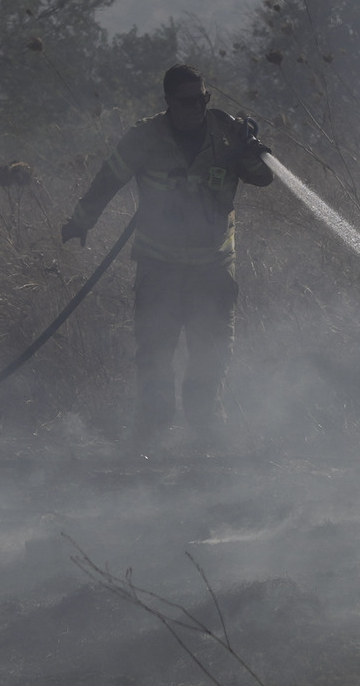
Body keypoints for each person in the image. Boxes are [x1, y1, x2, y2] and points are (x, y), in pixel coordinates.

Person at [62, 64, 274, 448]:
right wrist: (81, 221)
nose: (197, 107)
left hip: (213, 268)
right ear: (169, 102)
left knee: (211, 354)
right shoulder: (145, 138)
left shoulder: (226, 135)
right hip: (160, 268)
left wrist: (248, 147)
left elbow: (262, 176)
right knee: (156, 352)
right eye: (188, 101)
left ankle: (205, 431)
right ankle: (152, 435)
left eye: (203, 99)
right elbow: (108, 178)